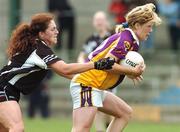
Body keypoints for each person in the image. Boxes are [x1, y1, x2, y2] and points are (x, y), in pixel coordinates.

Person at [0, 13, 115, 132]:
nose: (57, 32)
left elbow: (67, 73)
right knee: (17, 128)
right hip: (3, 89)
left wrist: (93, 80)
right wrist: (95, 64)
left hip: (8, 90)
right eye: (53, 29)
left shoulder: (37, 46)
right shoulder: (39, 48)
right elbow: (65, 69)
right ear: (42, 34)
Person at [70, 3, 161, 132]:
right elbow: (107, 64)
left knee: (125, 113)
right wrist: (131, 71)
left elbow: (118, 64)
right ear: (137, 25)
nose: (151, 30)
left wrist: (132, 73)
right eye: (149, 26)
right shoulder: (126, 39)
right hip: (87, 83)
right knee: (82, 128)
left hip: (96, 86)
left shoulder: (132, 41)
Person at [77, 11, 115, 132]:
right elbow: (81, 55)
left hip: (108, 78)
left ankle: (109, 126)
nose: (99, 22)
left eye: (101, 19)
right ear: (93, 22)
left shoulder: (112, 37)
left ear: (106, 21)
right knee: (96, 107)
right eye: (97, 20)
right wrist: (82, 65)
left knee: (110, 109)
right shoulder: (90, 40)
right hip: (93, 78)